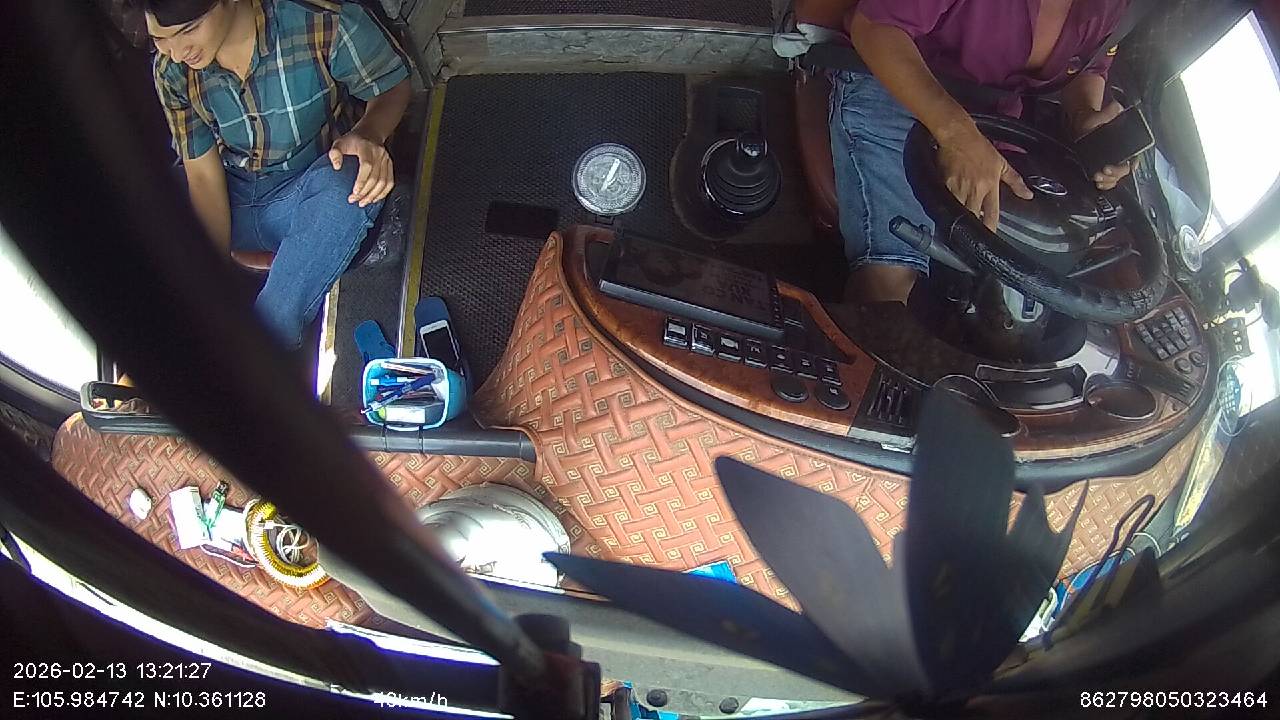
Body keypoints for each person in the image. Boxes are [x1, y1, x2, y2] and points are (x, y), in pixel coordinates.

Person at [144, 0, 411, 348]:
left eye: (188, 31)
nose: (178, 52)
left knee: (351, 177)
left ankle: (260, 348)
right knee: (142, 197)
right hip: (231, 199)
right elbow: (204, 180)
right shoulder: (171, 70)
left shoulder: (320, 22)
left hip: (309, 192)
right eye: (160, 40)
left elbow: (391, 84)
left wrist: (369, 132)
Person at [832, 0, 1135, 304]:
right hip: (898, 86)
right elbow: (877, 26)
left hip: (994, 123)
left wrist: (1086, 117)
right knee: (890, 279)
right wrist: (958, 135)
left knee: (1018, 286)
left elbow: (1088, 68)